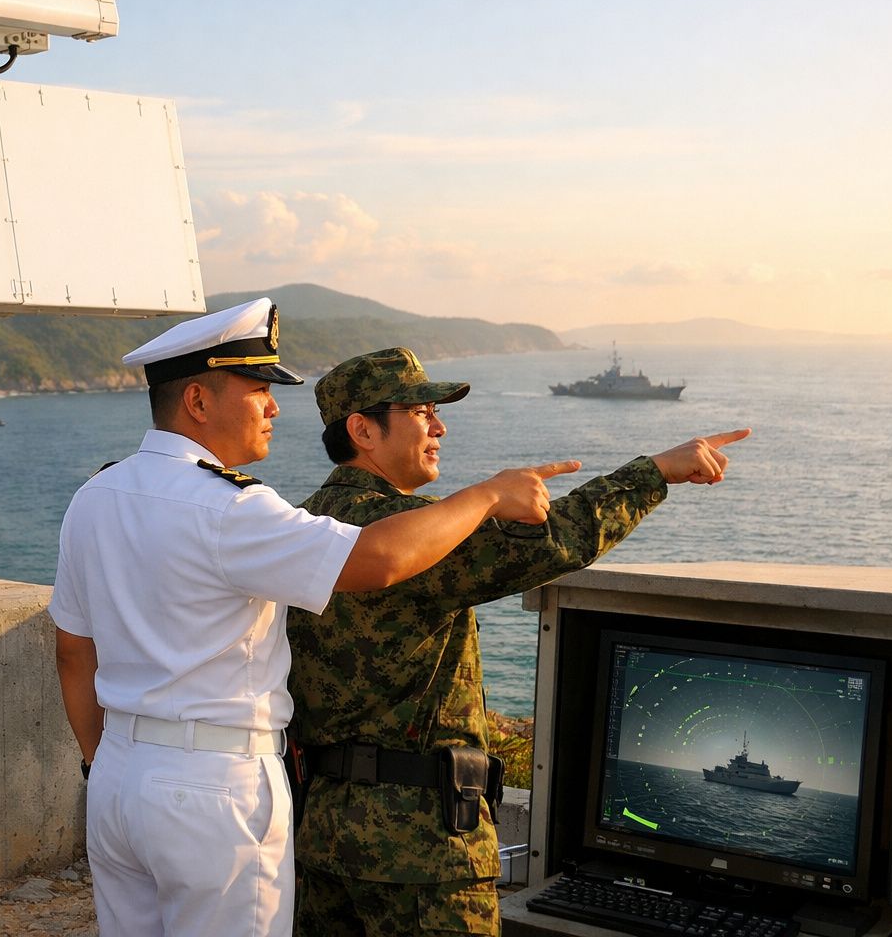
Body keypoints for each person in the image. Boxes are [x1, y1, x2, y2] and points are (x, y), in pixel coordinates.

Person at [50, 299, 585, 937]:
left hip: (117, 776)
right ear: (197, 401)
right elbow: (379, 557)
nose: (275, 408)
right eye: (258, 391)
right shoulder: (231, 509)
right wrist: (487, 495)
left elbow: (73, 653)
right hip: (215, 787)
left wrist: (102, 762)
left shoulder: (95, 496)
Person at [287, 347, 750, 937]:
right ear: (362, 430)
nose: (440, 426)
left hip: (321, 834)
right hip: (421, 848)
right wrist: (657, 471)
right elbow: (555, 540)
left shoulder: (301, 524)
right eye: (421, 411)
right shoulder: (414, 535)